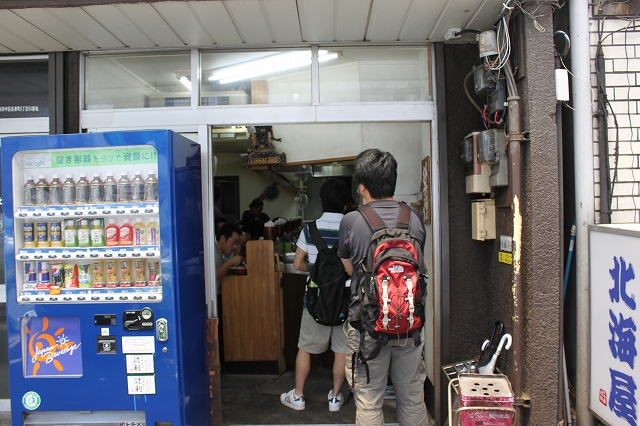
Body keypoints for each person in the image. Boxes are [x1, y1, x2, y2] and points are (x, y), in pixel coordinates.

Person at [337, 149, 428, 425]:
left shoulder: (352, 221)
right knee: (412, 397)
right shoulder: (413, 218)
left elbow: (350, 269)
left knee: (369, 400)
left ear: (362, 185)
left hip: (366, 328)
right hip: (409, 324)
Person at [280, 178, 350, 413]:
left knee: (305, 348)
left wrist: (316, 271)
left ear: (321, 201)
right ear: (346, 203)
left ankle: (298, 396)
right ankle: (335, 397)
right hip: (344, 301)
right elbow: (353, 269)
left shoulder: (309, 229)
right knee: (341, 350)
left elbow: (298, 263)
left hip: (315, 301)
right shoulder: (350, 229)